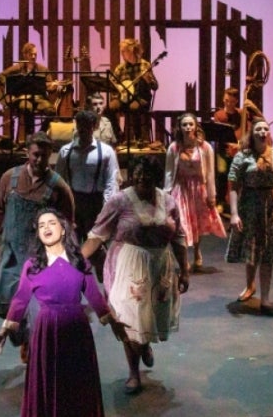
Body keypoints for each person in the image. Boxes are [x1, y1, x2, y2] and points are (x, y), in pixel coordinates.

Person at [0, 209, 127, 417]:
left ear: (63, 229)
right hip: (47, 332)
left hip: (76, 332)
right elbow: (19, 301)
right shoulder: (34, 265)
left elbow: (95, 297)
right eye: (41, 225)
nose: (47, 228)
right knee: (44, 390)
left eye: (52, 223)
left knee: (67, 391)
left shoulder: (78, 262)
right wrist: (4, 331)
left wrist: (114, 323)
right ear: (38, 234)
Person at [81, 155, 189, 394]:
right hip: (127, 266)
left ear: (156, 179)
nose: (141, 179)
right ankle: (133, 372)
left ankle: (145, 342)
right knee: (128, 319)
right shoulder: (119, 201)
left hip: (159, 265)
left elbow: (179, 236)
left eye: (147, 176)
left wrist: (185, 271)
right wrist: (74, 264)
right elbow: (97, 235)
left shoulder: (168, 201)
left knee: (148, 315)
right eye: (137, 174)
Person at [0, 132, 74, 354]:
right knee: (3, 304)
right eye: (35, 155)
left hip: (40, 257)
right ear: (27, 153)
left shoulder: (57, 186)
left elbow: (68, 223)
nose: (39, 160)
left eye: (44, 156)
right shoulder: (10, 178)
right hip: (12, 252)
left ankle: (36, 346)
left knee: (41, 309)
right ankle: (23, 334)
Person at [224, 117, 273, 312]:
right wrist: (234, 213)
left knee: (268, 251)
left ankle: (266, 297)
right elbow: (233, 184)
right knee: (252, 249)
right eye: (258, 129)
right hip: (250, 204)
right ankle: (250, 285)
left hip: (271, 204)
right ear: (252, 134)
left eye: (265, 129)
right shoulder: (243, 156)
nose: (262, 132)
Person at [55, 108, 120, 276]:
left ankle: (105, 281)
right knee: (71, 247)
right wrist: (60, 207)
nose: (83, 130)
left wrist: (107, 208)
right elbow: (59, 181)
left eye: (88, 126)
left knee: (97, 247)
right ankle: (72, 287)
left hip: (95, 203)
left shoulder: (106, 152)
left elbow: (111, 181)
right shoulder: (66, 152)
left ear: (94, 127)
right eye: (80, 126)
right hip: (74, 201)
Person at [164, 112, 226, 271]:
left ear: (195, 126)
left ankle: (198, 253)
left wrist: (212, 194)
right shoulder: (174, 147)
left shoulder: (205, 147)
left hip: (198, 188)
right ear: (180, 127)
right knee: (182, 225)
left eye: (190, 124)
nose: (187, 127)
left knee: (196, 223)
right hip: (181, 187)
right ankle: (184, 259)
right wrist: (166, 194)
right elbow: (169, 172)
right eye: (184, 125)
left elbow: (211, 172)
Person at [0, 42, 62, 141]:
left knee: (51, 111)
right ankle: (29, 139)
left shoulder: (43, 69)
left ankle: (39, 135)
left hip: (38, 99)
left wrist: (54, 86)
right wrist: (9, 87)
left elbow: (49, 87)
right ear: (25, 55)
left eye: (35, 54)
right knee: (27, 108)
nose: (33, 56)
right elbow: (1, 75)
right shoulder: (18, 68)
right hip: (22, 98)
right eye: (31, 54)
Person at [107, 38, 159, 145]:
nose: (121, 53)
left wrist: (148, 80)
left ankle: (138, 138)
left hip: (141, 98)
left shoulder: (144, 65)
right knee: (108, 109)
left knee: (133, 107)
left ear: (131, 51)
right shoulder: (121, 68)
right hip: (124, 98)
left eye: (123, 51)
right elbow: (112, 84)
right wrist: (117, 89)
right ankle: (119, 134)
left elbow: (155, 86)